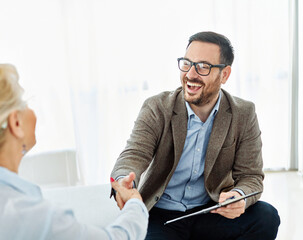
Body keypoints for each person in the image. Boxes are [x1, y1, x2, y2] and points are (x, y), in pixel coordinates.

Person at [111, 31, 280, 239]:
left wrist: (239, 197)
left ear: (224, 74)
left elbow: (251, 176)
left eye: (203, 67)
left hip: (209, 211)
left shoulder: (243, 113)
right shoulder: (158, 107)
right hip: (161, 217)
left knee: (267, 216)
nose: (190, 74)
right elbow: (133, 155)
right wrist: (124, 181)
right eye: (186, 63)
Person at [0, 64, 148, 240]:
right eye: (26, 103)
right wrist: (135, 205)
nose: (32, 110)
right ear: (15, 123)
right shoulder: (32, 216)